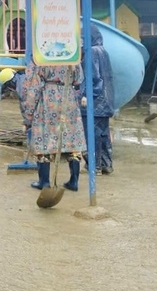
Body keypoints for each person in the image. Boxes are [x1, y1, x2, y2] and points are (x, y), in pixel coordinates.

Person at [19, 62, 85, 192]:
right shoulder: (71, 54)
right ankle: (74, 181)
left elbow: (32, 88)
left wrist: (27, 118)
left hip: (48, 98)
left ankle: (44, 181)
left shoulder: (40, 57)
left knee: (44, 138)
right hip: (68, 95)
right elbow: (79, 78)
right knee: (71, 138)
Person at [79, 23, 116, 175]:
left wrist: (87, 95)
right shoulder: (103, 51)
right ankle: (107, 164)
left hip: (95, 101)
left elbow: (93, 77)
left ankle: (94, 166)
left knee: (92, 135)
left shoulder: (92, 52)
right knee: (103, 134)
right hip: (106, 101)